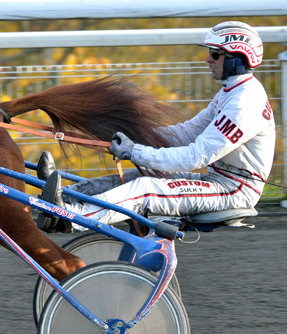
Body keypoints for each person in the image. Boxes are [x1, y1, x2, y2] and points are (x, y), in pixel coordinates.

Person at [37, 21, 275, 233]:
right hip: (220, 180)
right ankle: (61, 197)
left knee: (145, 188)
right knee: (134, 176)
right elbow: (187, 132)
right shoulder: (232, 93)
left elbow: (195, 156)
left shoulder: (244, 105)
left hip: (234, 191)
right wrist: (133, 139)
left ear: (237, 59)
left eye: (215, 54)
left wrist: (136, 152)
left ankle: (71, 217)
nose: (208, 59)